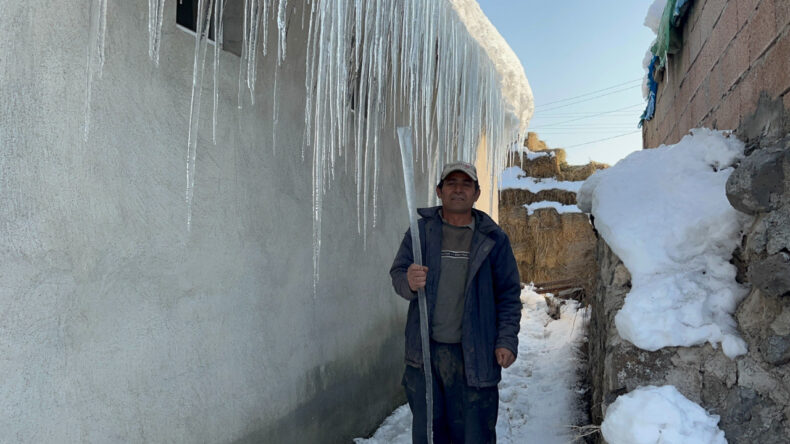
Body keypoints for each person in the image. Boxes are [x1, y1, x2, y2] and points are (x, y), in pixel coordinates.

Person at [390, 161, 522, 443]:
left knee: (475, 434)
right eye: (451, 183)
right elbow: (398, 273)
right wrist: (409, 282)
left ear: (476, 193)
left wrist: (506, 339)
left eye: (466, 184)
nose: (458, 189)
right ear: (439, 191)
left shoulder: (494, 239)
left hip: (475, 355)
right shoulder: (421, 234)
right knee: (431, 434)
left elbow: (509, 294)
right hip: (426, 354)